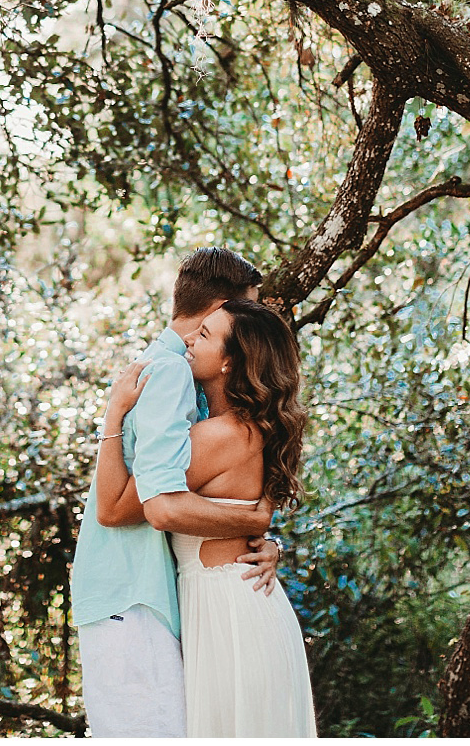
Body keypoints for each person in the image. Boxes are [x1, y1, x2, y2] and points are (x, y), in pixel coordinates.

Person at [69, 248, 283, 738]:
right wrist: (252, 522)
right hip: (133, 592)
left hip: (138, 590)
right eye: (242, 311)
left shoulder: (171, 369)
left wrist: (265, 540)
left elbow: (205, 482)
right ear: (217, 312)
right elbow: (126, 507)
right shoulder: (170, 373)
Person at [97, 299, 316, 737]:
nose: (190, 339)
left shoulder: (216, 435)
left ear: (229, 362)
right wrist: (259, 528)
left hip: (228, 616)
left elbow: (114, 509)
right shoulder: (249, 428)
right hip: (238, 604)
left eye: (206, 335)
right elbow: (250, 514)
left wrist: (113, 414)